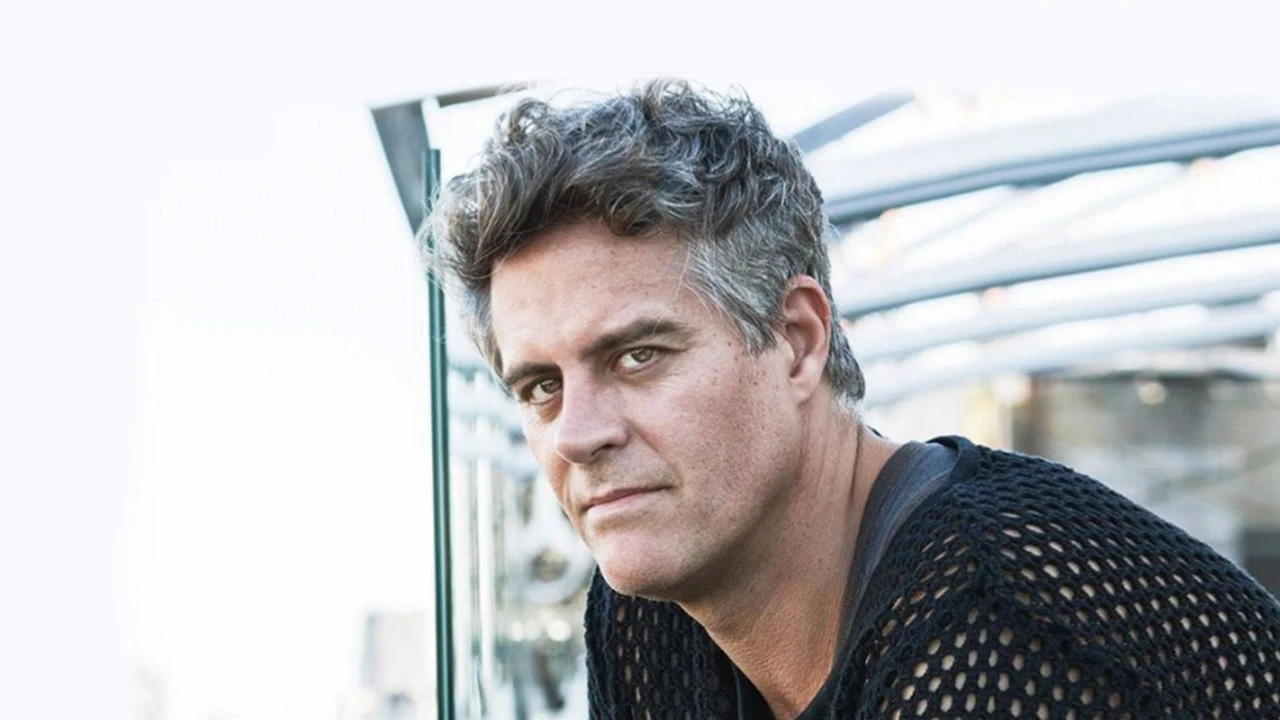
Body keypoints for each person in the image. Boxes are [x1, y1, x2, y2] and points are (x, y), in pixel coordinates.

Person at [426, 79, 1280, 719]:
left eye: (638, 356)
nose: (576, 435)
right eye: (541, 387)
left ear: (797, 340)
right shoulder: (649, 617)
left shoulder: (995, 620)